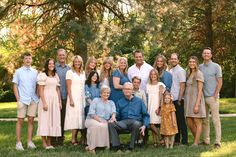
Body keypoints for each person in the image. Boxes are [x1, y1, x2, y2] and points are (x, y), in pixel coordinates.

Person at [108, 82, 150, 151]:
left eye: (129, 89)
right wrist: (113, 117)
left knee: (136, 124)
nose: (127, 90)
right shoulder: (119, 102)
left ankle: (131, 146)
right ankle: (117, 146)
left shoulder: (139, 101)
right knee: (110, 124)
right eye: (125, 89)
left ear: (132, 90)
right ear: (123, 90)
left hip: (136, 122)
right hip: (123, 123)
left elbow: (146, 115)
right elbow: (117, 113)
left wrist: (145, 125)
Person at [12, 52, 39, 151]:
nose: (28, 60)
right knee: (20, 120)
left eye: (29, 58)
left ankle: (29, 142)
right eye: (26, 58)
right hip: (22, 99)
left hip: (33, 99)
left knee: (31, 120)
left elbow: (38, 85)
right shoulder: (18, 71)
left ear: (31, 60)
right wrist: (18, 99)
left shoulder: (35, 72)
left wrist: (38, 97)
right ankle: (18, 143)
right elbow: (15, 85)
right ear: (23, 60)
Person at [199, 47, 223, 149]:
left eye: (208, 53)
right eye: (205, 53)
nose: (206, 55)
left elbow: (220, 82)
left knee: (215, 120)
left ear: (211, 55)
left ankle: (218, 142)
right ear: (202, 55)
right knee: (204, 120)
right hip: (203, 98)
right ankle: (206, 140)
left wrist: (215, 95)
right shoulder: (199, 67)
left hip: (212, 97)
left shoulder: (216, 67)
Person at [37, 58, 62, 149]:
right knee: (45, 120)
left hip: (54, 100)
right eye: (49, 64)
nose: (51, 65)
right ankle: (44, 142)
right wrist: (44, 102)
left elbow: (58, 89)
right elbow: (40, 89)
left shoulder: (56, 75)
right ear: (47, 65)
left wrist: (59, 102)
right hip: (46, 99)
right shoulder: (42, 75)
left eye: (53, 64)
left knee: (53, 119)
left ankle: (49, 142)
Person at [85, 85, 116, 154]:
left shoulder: (111, 102)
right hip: (92, 119)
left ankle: (104, 146)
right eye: (104, 92)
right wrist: (100, 120)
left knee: (105, 126)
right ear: (100, 93)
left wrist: (113, 117)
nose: (106, 94)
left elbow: (113, 112)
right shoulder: (95, 100)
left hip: (104, 121)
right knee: (97, 125)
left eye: (108, 93)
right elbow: (91, 113)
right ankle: (91, 148)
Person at [64, 55, 86, 145]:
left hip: (82, 98)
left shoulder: (83, 73)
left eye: (79, 61)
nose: (77, 63)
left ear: (81, 63)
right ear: (73, 62)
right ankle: (73, 139)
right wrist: (71, 99)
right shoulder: (70, 72)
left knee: (81, 117)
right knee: (74, 118)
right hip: (73, 97)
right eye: (76, 61)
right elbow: (68, 87)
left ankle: (82, 139)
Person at [185, 56, 206, 146]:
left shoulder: (199, 73)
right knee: (189, 121)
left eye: (193, 62)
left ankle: (196, 143)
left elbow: (200, 90)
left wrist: (197, 104)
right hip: (188, 101)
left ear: (196, 63)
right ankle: (197, 140)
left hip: (196, 100)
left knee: (197, 121)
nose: (191, 63)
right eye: (190, 62)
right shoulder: (188, 73)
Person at [169, 53, 188, 145]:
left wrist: (180, 99)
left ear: (178, 60)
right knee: (175, 121)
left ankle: (184, 141)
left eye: (175, 59)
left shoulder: (180, 70)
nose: (173, 60)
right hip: (172, 99)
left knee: (181, 121)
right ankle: (177, 140)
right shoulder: (171, 70)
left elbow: (183, 86)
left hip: (178, 99)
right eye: (172, 59)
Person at [54, 48, 70, 145]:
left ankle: (60, 139)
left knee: (63, 119)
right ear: (57, 56)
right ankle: (52, 139)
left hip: (65, 97)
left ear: (66, 56)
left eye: (63, 55)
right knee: (54, 118)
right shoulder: (53, 67)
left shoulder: (69, 68)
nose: (62, 57)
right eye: (60, 55)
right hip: (55, 97)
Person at [146, 69, 165, 147]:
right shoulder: (148, 85)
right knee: (151, 123)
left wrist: (159, 107)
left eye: (154, 74)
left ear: (157, 75)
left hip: (157, 106)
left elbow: (161, 97)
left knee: (155, 123)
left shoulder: (160, 84)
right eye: (151, 74)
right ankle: (155, 142)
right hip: (150, 106)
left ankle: (160, 138)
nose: (153, 76)